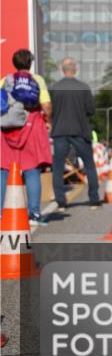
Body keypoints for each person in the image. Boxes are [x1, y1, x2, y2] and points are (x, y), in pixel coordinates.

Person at [1, 49, 52, 226]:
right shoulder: (37, 80)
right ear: (30, 63)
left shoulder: (5, 80)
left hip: (7, 130)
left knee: (3, 171)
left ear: (14, 63)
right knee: (32, 170)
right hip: (31, 126)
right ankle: (34, 214)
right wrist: (49, 119)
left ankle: (1, 214)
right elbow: (46, 105)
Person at [50, 57, 102, 210]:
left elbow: (49, 109)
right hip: (80, 130)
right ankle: (94, 199)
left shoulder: (54, 87)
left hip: (60, 130)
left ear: (62, 69)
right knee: (89, 165)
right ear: (76, 69)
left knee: (58, 166)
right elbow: (91, 110)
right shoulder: (84, 87)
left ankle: (61, 202)